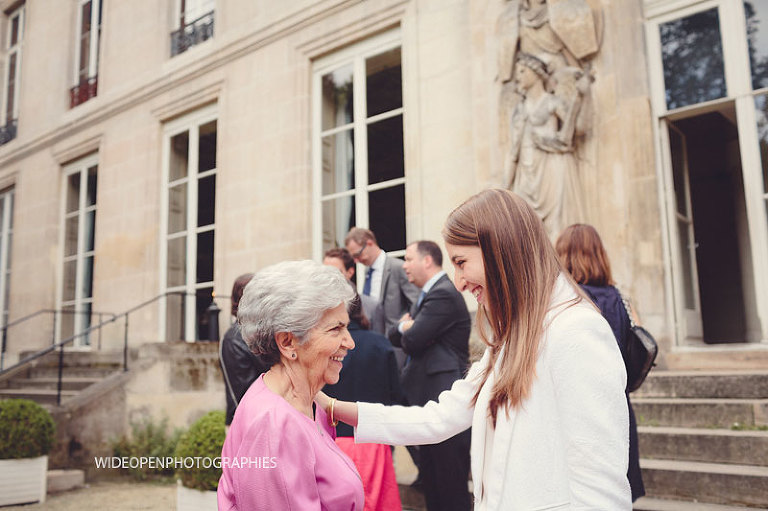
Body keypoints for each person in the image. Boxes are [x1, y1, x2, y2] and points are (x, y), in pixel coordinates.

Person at [321, 189, 631, 510]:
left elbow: (601, 491)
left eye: (461, 262)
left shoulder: (576, 331)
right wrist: (332, 408)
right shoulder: (513, 337)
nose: (458, 282)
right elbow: (440, 417)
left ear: (501, 251)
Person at [217, 260, 363, 510]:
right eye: (335, 329)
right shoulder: (273, 426)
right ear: (287, 342)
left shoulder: (305, 401)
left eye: (346, 327)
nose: (349, 342)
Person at [555, 223, 646, 502]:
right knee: (615, 489)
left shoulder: (568, 300)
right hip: (617, 402)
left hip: (579, 407)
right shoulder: (621, 298)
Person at [389, 240, 472, 511]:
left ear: (427, 260)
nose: (404, 266)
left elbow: (413, 340)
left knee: (450, 487)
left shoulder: (443, 293)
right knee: (434, 485)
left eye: (409, 258)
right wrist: (405, 327)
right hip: (427, 402)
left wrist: (406, 328)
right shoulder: (426, 295)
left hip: (443, 400)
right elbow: (396, 334)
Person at [324, 292, 403, 511]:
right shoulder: (381, 343)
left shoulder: (324, 347)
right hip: (373, 441)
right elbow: (395, 394)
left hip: (333, 440)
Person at [504, 53, 585, 239]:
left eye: (523, 71)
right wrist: (504, 188)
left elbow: (577, 130)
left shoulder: (552, 102)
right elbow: (511, 153)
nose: (518, 76)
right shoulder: (519, 111)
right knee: (525, 231)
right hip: (526, 172)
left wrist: (582, 96)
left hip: (551, 167)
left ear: (536, 73)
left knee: (557, 228)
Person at [344, 227, 420, 366]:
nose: (356, 260)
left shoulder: (398, 267)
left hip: (396, 349)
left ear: (369, 244)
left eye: (357, 254)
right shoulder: (366, 273)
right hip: (372, 348)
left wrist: (404, 323)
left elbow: (416, 302)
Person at [218, 273, 270, 426]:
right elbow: (243, 394)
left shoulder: (262, 333)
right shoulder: (233, 339)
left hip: (266, 419)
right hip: (245, 424)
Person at [324, 247, 386, 334]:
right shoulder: (317, 307)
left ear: (350, 272)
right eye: (325, 272)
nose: (329, 277)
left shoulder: (372, 306)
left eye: (335, 272)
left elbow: (378, 342)